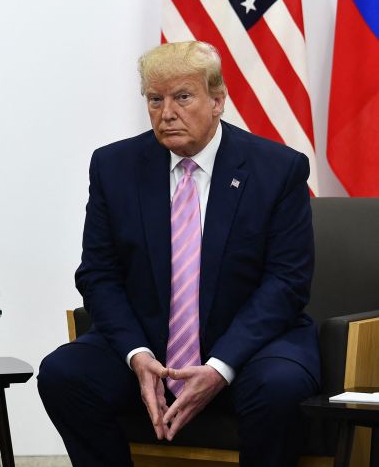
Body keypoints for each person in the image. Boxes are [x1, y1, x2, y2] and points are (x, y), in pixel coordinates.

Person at [38, 41, 319, 466]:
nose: (166, 112)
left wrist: (221, 365)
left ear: (218, 99)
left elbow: (287, 282)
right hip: (151, 346)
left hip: (251, 347)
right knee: (63, 375)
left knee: (279, 386)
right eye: (155, 99)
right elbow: (98, 274)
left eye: (182, 97)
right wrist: (138, 355)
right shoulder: (115, 167)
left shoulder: (277, 169)